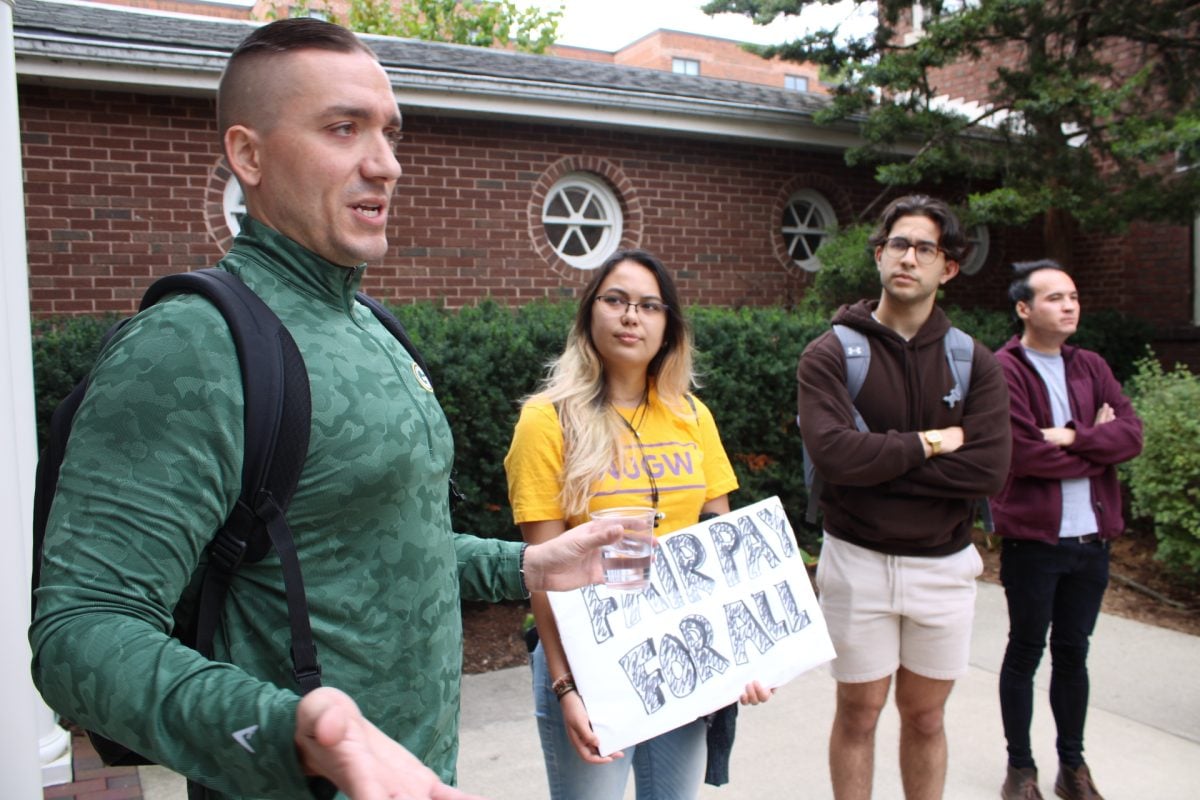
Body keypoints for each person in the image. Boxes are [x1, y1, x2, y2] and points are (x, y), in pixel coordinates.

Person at [28, 18, 626, 800]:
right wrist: (287, 731)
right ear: (248, 156)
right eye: (343, 129)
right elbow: (80, 631)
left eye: (389, 133)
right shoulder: (191, 346)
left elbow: (373, 546)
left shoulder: (374, 327)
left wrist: (526, 565)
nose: (385, 165)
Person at [503, 249, 772, 800]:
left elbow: (719, 547)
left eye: (650, 306)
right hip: (590, 657)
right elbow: (544, 575)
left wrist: (742, 655)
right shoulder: (547, 420)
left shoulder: (692, 416)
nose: (632, 316)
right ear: (589, 315)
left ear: (669, 326)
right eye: (616, 300)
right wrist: (565, 684)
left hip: (683, 651)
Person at [796, 194, 1012, 799]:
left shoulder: (975, 362)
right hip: (857, 562)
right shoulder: (831, 353)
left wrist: (879, 461)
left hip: (942, 567)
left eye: (925, 248)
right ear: (878, 255)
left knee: (925, 716)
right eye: (898, 244)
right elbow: (835, 458)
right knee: (859, 713)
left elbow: (990, 469)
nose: (908, 257)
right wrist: (934, 444)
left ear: (948, 267)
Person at [990, 260, 1143, 800]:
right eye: (1055, 297)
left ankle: (1072, 769)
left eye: (1073, 296)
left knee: (1074, 654)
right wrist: (1095, 445)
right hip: (1035, 543)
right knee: (1026, 651)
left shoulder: (1091, 365)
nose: (1070, 305)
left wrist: (1071, 439)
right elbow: (1025, 455)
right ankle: (1020, 770)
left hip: (1091, 542)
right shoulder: (1004, 369)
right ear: (1024, 308)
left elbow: (1131, 434)